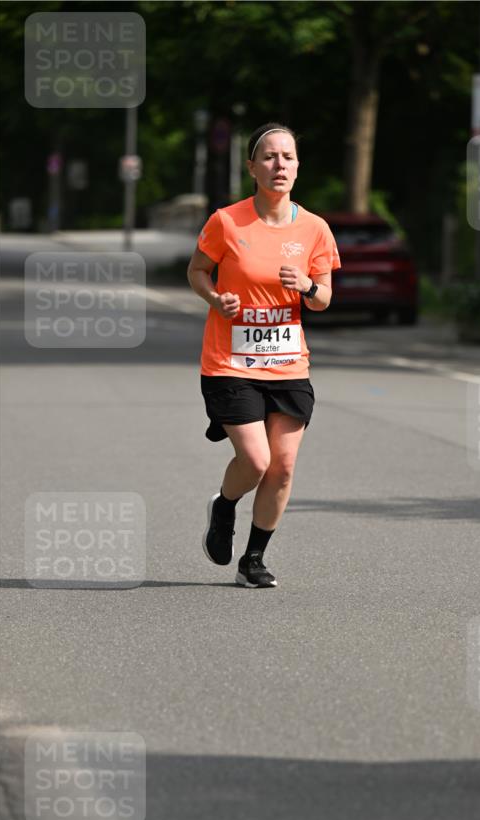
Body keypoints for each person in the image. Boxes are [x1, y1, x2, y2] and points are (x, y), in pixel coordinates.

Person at [187, 123, 340, 588]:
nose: (280, 165)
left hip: (288, 363)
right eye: (270, 157)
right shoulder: (226, 222)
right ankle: (224, 506)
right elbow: (198, 271)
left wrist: (308, 286)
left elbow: (323, 298)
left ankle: (253, 560)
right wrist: (216, 299)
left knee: (284, 465)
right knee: (255, 461)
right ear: (252, 167)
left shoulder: (314, 228)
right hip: (230, 362)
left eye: (288, 157)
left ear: (297, 167)